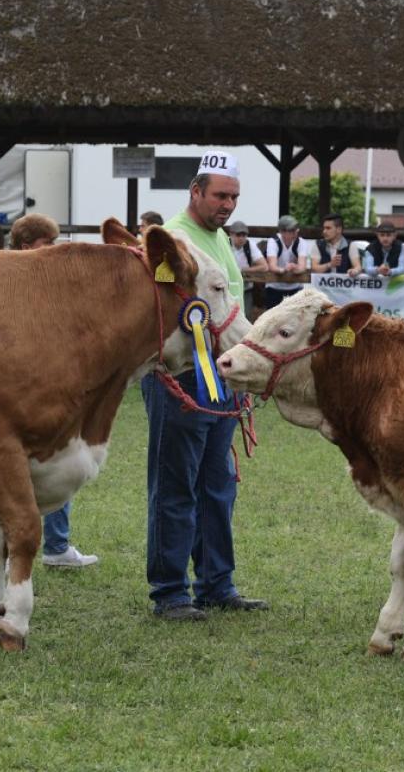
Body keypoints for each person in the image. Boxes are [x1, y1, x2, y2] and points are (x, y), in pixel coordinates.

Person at [141, 150, 266, 621]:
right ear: (195, 191)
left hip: (222, 373)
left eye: (234, 197)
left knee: (218, 484)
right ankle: (170, 591)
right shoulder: (174, 239)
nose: (228, 205)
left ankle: (216, 583)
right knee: (177, 483)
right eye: (220, 196)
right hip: (181, 375)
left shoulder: (219, 239)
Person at [0, 211, 97, 570]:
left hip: (43, 388)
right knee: (9, 472)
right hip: (17, 392)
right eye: (48, 243)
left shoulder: (35, 282)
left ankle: (53, 545)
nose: (55, 249)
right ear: (27, 246)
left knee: (51, 465)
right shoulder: (8, 284)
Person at [263, 215, 310, 309]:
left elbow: (302, 267)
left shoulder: (301, 242)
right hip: (274, 287)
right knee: (274, 317)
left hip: (296, 288)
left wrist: (295, 267)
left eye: (296, 229)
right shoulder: (273, 241)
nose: (296, 232)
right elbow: (272, 266)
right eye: (292, 230)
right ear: (282, 232)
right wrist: (283, 270)